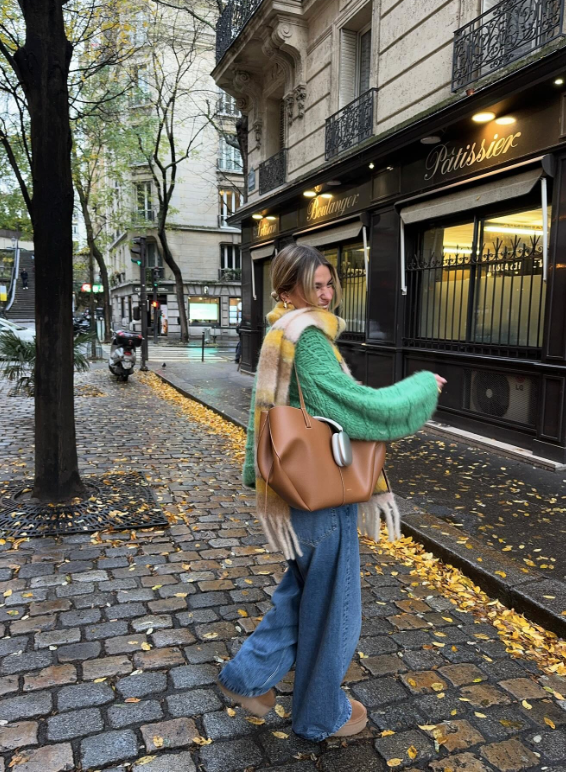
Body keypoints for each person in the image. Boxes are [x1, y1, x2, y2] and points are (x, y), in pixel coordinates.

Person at [217, 244, 446, 741]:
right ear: (286, 289)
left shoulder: (279, 332)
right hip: (323, 495)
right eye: (312, 286)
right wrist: (420, 389)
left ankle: (246, 678)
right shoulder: (309, 336)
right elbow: (349, 405)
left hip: (294, 491)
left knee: (301, 598)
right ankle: (322, 714)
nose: (324, 294)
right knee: (336, 609)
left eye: (327, 284)